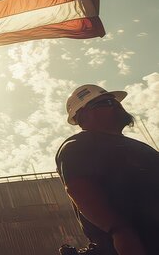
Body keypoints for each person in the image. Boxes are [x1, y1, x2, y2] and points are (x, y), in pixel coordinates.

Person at [56, 84, 159, 255]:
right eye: (105, 102)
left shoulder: (141, 148)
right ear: (83, 115)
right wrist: (120, 231)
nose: (116, 105)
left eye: (114, 101)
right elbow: (78, 188)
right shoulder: (78, 146)